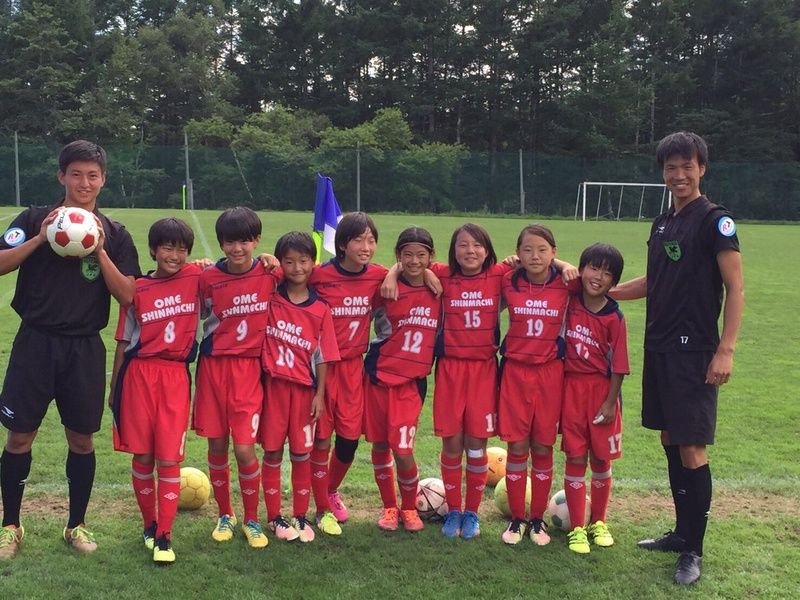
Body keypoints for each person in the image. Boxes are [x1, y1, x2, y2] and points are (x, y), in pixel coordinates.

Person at [611, 131, 744, 585]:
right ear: (663, 172)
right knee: (670, 438)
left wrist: (725, 350)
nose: (679, 174)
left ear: (702, 168)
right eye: (671, 167)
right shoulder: (663, 222)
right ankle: (681, 532)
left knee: (691, 445)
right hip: (660, 347)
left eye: (688, 166)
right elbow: (654, 280)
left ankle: (694, 550)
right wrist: (603, 291)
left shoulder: (715, 221)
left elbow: (736, 288)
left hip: (696, 352)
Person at [0, 140, 140, 559]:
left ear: (103, 180)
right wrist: (41, 238)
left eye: (92, 175)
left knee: (81, 439)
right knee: (20, 436)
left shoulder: (115, 233)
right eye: (75, 174)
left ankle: (76, 524)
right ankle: (10, 526)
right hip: (34, 343)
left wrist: (98, 249)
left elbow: (128, 295)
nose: (84, 182)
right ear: (61, 176)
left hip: (84, 348)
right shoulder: (33, 218)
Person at [109, 218, 201, 564]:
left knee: (169, 458)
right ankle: (149, 525)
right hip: (139, 377)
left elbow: (234, 271)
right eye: (167, 247)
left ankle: (165, 535)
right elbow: (123, 342)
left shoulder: (197, 277)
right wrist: (115, 389)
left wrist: (268, 259)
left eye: (181, 249)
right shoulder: (137, 289)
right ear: (153, 250)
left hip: (175, 376)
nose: (174, 255)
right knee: (144, 456)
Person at [193, 207, 277, 549]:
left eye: (245, 241)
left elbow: (308, 271)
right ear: (221, 243)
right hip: (213, 369)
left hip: (249, 371)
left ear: (256, 240)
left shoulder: (271, 273)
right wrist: (196, 266)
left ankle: (252, 518)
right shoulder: (207, 277)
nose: (237, 248)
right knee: (216, 445)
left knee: (244, 449)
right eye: (230, 242)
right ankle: (225, 514)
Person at [428, 224, 510, 540]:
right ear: (454, 250)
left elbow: (540, 263)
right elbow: (409, 261)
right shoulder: (442, 274)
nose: (470, 251)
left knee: (476, 445)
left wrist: (561, 263)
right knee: (451, 443)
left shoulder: (500, 275)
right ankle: (454, 511)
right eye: (463, 245)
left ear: (487, 251)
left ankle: (472, 512)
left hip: (483, 371)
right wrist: (395, 274)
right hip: (450, 369)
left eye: (477, 245)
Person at [307, 212, 387, 534]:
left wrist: (397, 273)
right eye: (358, 240)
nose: (366, 247)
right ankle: (321, 508)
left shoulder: (378, 276)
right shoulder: (319, 276)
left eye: (371, 240)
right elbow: (287, 274)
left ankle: (329, 489)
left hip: (354, 368)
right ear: (341, 244)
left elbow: (411, 270)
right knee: (321, 439)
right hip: (322, 368)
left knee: (349, 441)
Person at [260, 232, 340, 543]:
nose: (297, 268)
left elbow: (323, 356)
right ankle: (274, 517)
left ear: (312, 263)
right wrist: (266, 259)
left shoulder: (320, 309)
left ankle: (300, 514)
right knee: (272, 451)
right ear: (281, 263)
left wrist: (320, 395)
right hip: (273, 389)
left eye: (303, 261)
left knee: (301, 454)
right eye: (289, 262)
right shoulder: (270, 297)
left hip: (305, 392)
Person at [364, 227, 441, 533]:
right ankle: (389, 507)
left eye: (421, 255)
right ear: (398, 256)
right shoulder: (384, 289)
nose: (414, 261)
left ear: (431, 257)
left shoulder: (440, 285)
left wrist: (407, 271)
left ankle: (409, 507)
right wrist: (392, 274)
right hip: (378, 376)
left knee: (403, 449)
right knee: (381, 444)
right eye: (407, 255)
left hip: (411, 383)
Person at [498, 224, 571, 546]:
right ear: (518, 253)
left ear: (553, 252)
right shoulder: (508, 280)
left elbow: (592, 279)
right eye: (527, 250)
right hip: (515, 373)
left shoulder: (567, 282)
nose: (535, 256)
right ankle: (517, 519)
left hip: (550, 374)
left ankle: (538, 520)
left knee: (542, 447)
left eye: (542, 250)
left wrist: (563, 265)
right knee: (516, 447)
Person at [560, 243, 628, 554]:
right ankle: (577, 527)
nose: (598, 277)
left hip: (602, 393)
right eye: (593, 268)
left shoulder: (615, 317)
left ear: (614, 282)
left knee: (600, 459)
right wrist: (565, 266)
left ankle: (598, 521)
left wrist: (610, 403)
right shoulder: (570, 299)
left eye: (607, 273)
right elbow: (549, 266)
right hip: (571, 390)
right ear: (582, 269)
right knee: (575, 457)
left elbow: (619, 366)